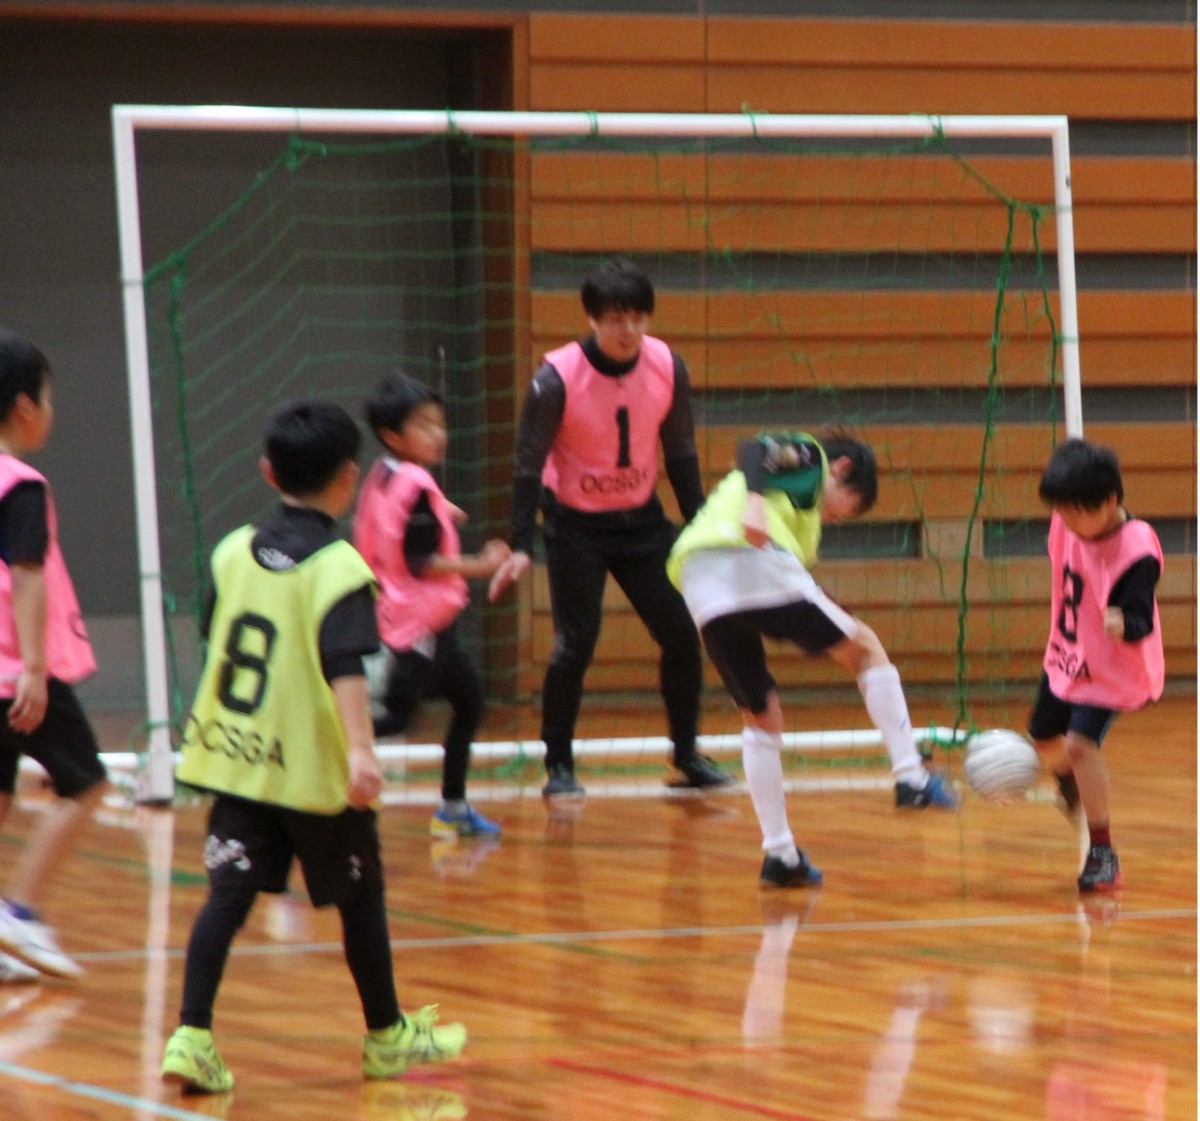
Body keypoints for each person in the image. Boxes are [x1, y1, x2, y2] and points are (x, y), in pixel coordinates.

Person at [161, 400, 466, 1094]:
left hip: (236, 760)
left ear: (268, 471)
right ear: (349, 479)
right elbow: (344, 666)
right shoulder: (338, 566)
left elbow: (217, 632)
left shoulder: (230, 549)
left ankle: (192, 1033)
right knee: (362, 899)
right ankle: (386, 1036)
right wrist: (361, 751)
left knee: (224, 900)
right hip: (308, 769)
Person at [667, 430, 958, 890]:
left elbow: (797, 592)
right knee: (866, 651)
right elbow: (753, 448)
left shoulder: (799, 518)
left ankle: (780, 855)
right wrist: (756, 503)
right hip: (746, 557)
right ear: (843, 470)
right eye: (845, 505)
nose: (835, 517)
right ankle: (912, 777)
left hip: (701, 583)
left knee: (761, 716)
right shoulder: (812, 459)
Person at [488, 259, 733, 798]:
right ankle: (559, 765)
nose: (629, 331)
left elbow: (681, 452)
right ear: (594, 320)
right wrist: (519, 542)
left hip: (641, 522)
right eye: (616, 319)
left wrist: (701, 525)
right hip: (576, 525)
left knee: (680, 633)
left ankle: (687, 754)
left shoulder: (669, 365)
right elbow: (528, 463)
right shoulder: (556, 378)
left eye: (638, 318)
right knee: (575, 645)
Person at [354, 373, 508, 838]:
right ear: (392, 435)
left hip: (422, 620)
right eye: (424, 426)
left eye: (440, 424)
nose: (438, 434)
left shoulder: (385, 473)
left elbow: (402, 518)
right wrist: (482, 564)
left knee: (469, 701)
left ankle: (454, 808)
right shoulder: (417, 484)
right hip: (415, 622)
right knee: (398, 718)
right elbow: (421, 561)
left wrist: (444, 511)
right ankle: (313, 753)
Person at [0, 329, 108, 981]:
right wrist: (36, 669)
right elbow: (28, 573)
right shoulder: (22, 485)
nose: (52, 410)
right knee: (87, 782)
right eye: (48, 397)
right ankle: (21, 913)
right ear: (23, 408)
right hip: (16, 668)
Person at [1028, 437, 1163, 893]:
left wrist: (1123, 621)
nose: (1065, 521)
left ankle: (1103, 852)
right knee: (1045, 738)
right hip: (1066, 656)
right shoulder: (1066, 522)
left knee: (1081, 746)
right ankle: (1070, 782)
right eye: (1061, 511)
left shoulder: (1137, 550)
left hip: (1112, 671)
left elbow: (1142, 619)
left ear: (1109, 501)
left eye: (1076, 512)